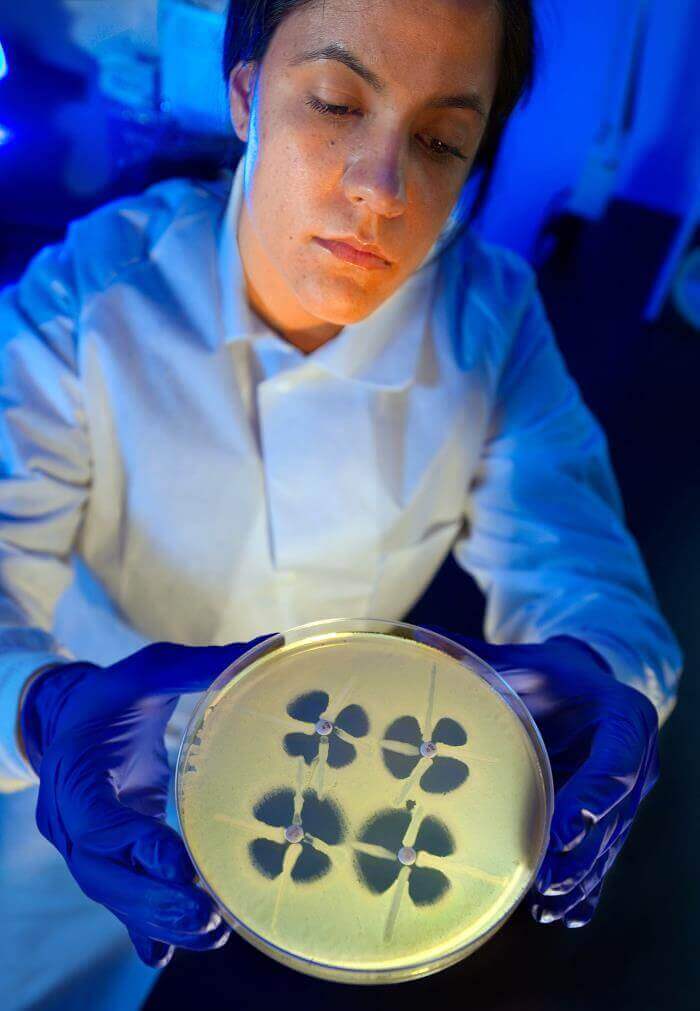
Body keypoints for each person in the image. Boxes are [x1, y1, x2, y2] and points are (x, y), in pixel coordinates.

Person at [0, 1, 683, 1009]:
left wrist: (596, 672)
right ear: (245, 97)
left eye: (443, 140)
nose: (381, 189)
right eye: (332, 103)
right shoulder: (93, 297)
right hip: (69, 784)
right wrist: (44, 710)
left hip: (342, 799)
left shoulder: (489, 321)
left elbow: (579, 565)